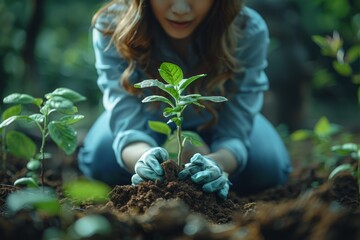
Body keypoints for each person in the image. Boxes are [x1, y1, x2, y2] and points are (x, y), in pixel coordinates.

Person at [78, 0, 292, 199]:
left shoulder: (247, 28)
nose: (180, 8)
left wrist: (217, 163)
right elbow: (126, 122)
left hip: (219, 122)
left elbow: (236, 128)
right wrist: (144, 159)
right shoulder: (113, 24)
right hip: (146, 124)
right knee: (103, 158)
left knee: (266, 167)